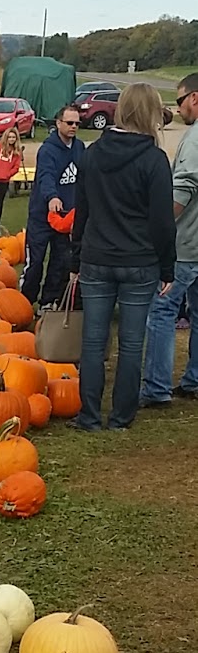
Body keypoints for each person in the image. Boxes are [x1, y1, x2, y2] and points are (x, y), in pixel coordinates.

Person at [70, 83, 176, 432]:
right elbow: (162, 221)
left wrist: (75, 258)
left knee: (93, 339)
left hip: (96, 257)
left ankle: (88, 415)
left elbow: (81, 210)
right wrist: (167, 266)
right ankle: (121, 417)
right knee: (132, 343)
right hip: (140, 261)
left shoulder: (92, 154)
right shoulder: (154, 160)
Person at [140, 72, 198, 405]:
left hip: (186, 245)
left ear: (195, 98)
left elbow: (185, 187)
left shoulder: (193, 138)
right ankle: (194, 379)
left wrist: (160, 229)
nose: (177, 110)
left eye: (179, 102)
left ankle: (157, 388)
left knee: (161, 312)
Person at [20, 104, 84, 306]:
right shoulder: (47, 150)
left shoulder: (80, 148)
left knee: (61, 261)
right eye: (69, 123)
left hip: (66, 217)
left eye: (77, 123)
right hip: (43, 215)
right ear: (58, 123)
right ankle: (25, 301)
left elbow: (84, 176)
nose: (73, 127)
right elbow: (45, 176)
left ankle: (49, 300)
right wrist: (52, 197)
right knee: (36, 261)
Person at [0, 127, 23, 229]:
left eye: (13, 137)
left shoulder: (17, 152)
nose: (11, 139)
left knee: (0, 203)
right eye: (10, 137)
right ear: (6, 137)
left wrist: (7, 174)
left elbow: (16, 168)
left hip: (4, 181)